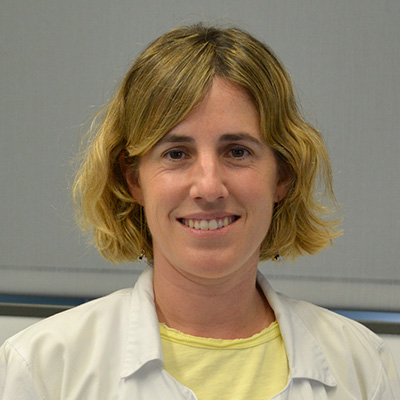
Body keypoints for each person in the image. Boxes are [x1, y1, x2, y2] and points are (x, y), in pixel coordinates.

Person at [0, 23, 399, 399]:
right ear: (134, 179)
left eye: (237, 151)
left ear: (282, 175)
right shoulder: (43, 367)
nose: (209, 187)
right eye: (176, 153)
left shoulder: (361, 364)